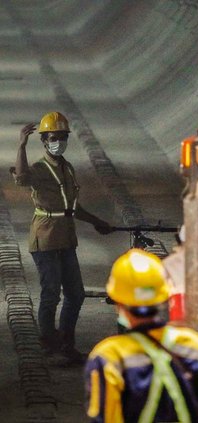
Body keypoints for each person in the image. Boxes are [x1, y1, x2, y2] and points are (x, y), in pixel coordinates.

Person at [11, 112, 112, 362]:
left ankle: (66, 343)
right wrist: (21, 146)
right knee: (51, 293)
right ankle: (48, 341)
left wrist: (98, 222)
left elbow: (73, 207)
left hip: (66, 238)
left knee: (75, 294)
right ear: (44, 141)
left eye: (62, 137)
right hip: (44, 239)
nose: (59, 142)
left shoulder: (67, 168)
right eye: (54, 138)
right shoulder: (39, 168)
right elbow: (22, 178)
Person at [85, 249, 198, 423]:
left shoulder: (109, 355)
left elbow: (106, 417)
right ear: (164, 298)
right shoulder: (193, 344)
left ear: (118, 303)